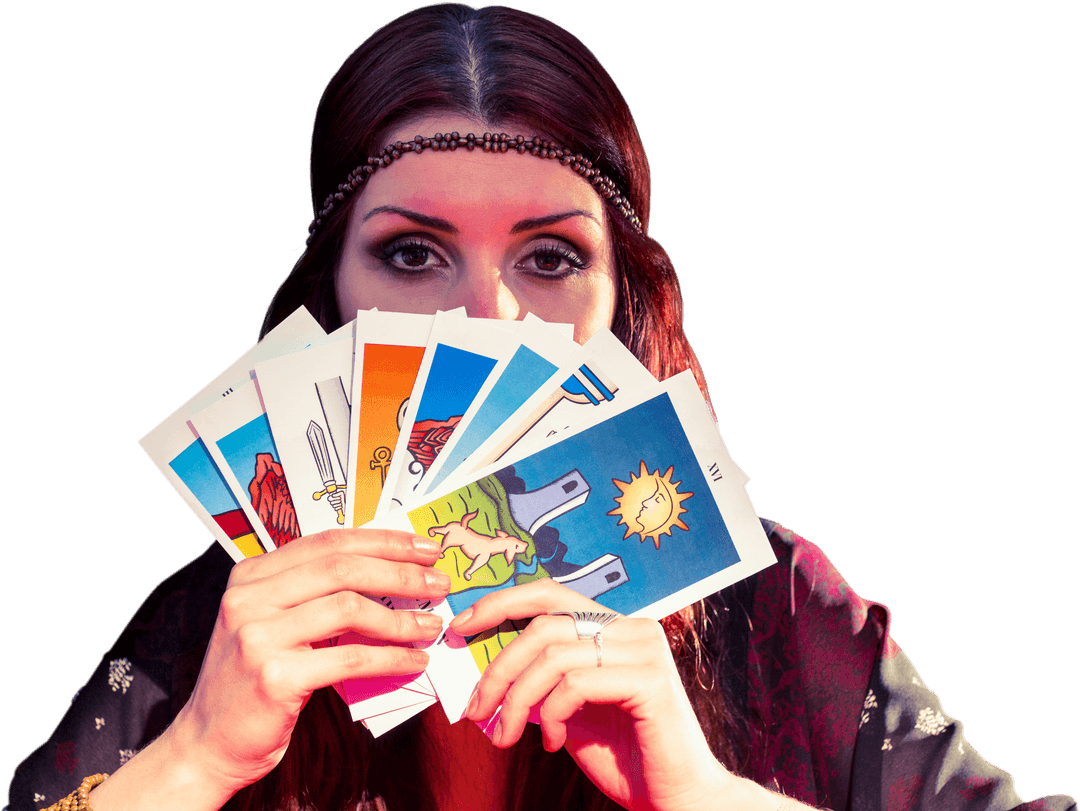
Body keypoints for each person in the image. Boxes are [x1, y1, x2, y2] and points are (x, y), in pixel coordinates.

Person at [7, 5, 1075, 811]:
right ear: (329, 304)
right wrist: (197, 756)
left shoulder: (775, 605)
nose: (487, 315)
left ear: (623, 305)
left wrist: (699, 793)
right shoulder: (221, 628)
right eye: (412, 253)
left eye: (552, 255)